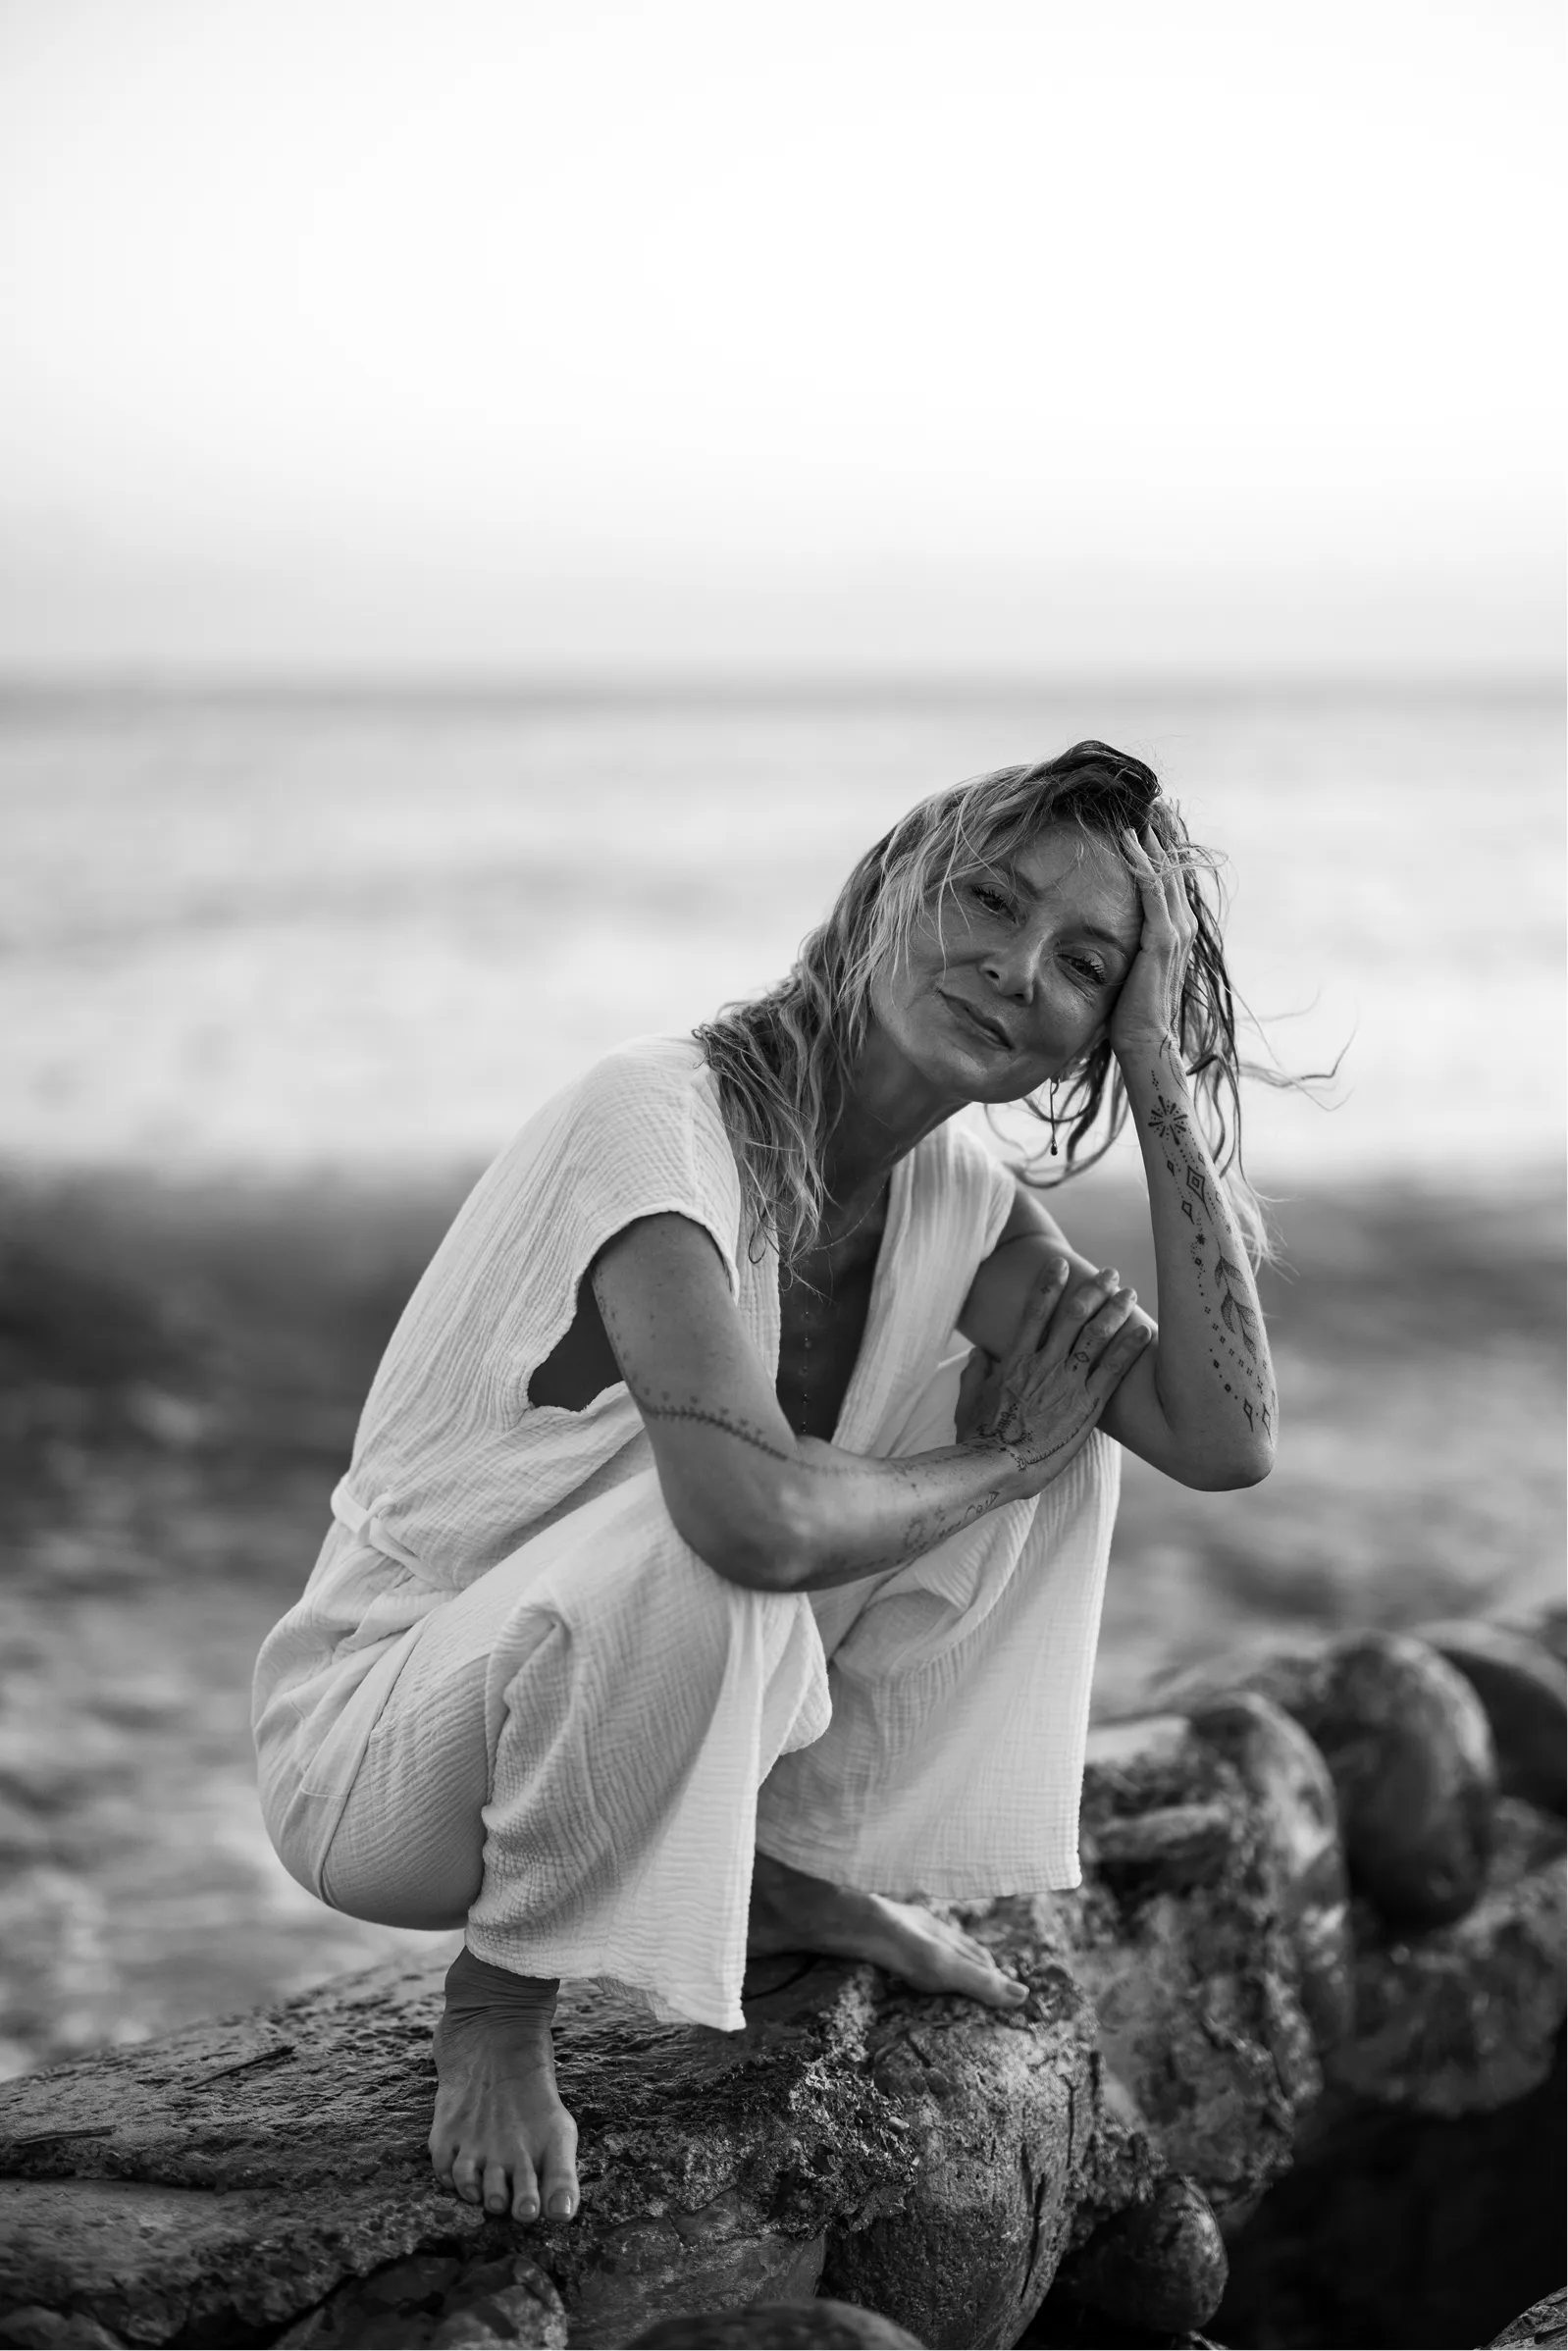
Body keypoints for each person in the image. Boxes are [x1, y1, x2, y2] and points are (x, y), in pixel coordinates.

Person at [252, 741, 1277, 2234]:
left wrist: (1161, 1083)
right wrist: (989, 1464)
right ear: (882, 900)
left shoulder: (958, 1210)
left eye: (1079, 966)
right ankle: (499, 1999)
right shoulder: (653, 1118)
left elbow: (1219, 1432)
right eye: (986, 903)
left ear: (1083, 1039)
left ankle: (778, 1865)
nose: (1013, 966)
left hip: (626, 1724)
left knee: (1068, 1417)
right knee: (824, 1501)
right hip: (384, 1758)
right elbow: (744, 1523)